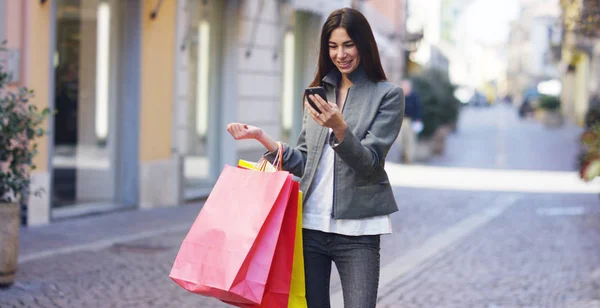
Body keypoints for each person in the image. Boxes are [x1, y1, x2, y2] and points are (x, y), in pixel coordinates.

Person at [226, 8, 404, 308]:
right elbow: (306, 160)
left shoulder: (387, 95)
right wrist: (263, 138)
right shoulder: (317, 93)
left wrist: (340, 128)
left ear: (364, 44)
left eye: (348, 44)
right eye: (333, 46)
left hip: (358, 231)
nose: (340, 54)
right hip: (310, 228)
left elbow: (371, 164)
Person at [399, 79, 423, 164]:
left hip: (410, 121)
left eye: (407, 86)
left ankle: (409, 159)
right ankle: (403, 155)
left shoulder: (414, 96)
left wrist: (418, 120)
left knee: (411, 140)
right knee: (400, 140)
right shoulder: (399, 95)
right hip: (400, 121)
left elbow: (418, 109)